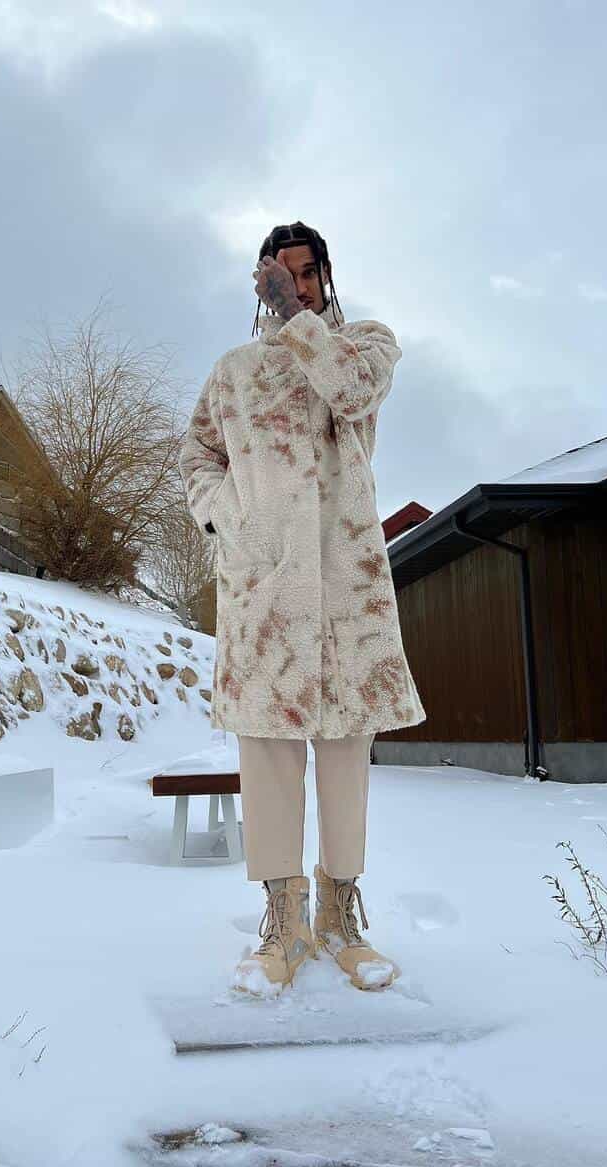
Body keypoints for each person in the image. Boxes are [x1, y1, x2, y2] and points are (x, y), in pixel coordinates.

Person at [178, 221, 427, 998]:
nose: (294, 285)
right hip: (264, 586)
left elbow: (352, 393)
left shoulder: (364, 346)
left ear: (325, 274)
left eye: (307, 272)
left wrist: (302, 323)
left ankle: (340, 919)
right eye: (279, 275)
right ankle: (283, 924)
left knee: (347, 747)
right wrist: (228, 517)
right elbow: (195, 454)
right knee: (268, 752)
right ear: (259, 280)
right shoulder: (234, 372)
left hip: (346, 584)